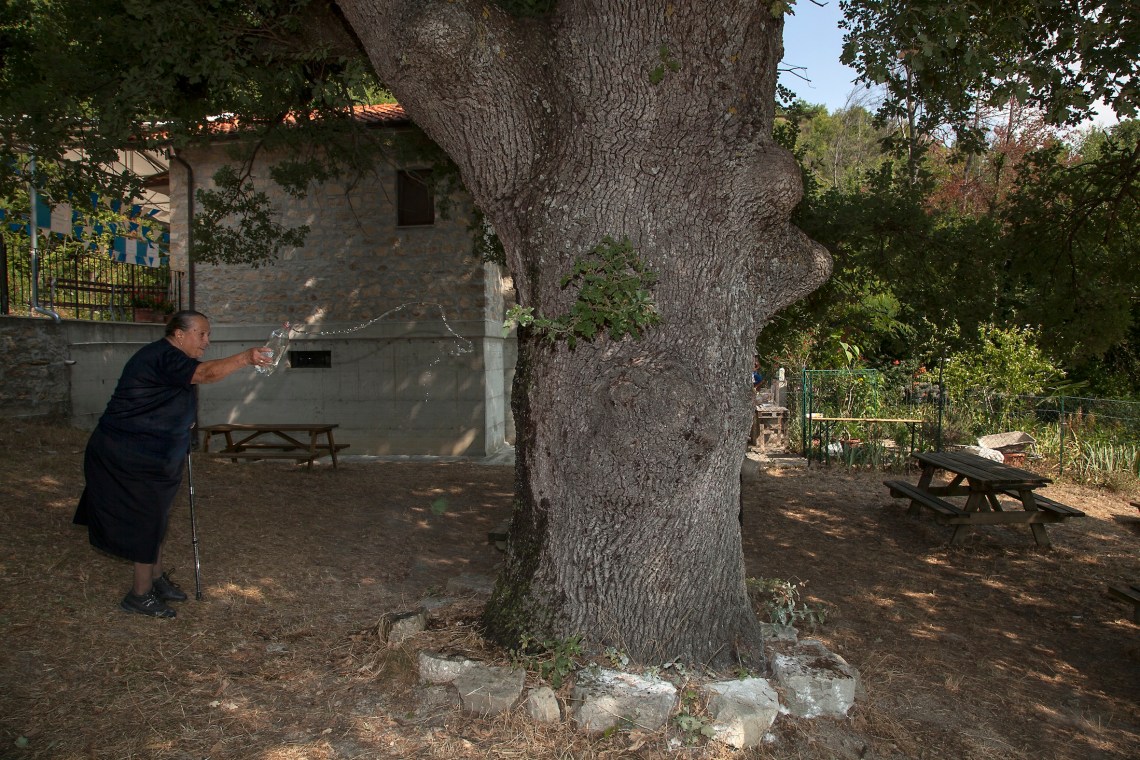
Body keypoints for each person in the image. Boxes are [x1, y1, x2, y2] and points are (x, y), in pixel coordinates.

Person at [73, 310, 273, 618]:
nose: (206, 342)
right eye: (201, 334)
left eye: (208, 335)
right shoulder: (161, 357)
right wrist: (246, 358)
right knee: (146, 520)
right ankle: (139, 595)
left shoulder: (171, 359)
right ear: (179, 334)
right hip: (128, 453)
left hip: (152, 453)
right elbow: (205, 374)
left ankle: (155, 579)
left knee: (157, 517)